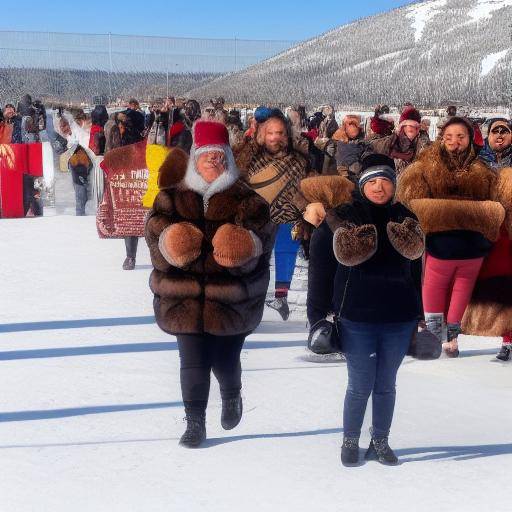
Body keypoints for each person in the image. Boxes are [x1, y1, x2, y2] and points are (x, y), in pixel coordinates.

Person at [145, 120, 273, 448]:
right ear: (194, 160)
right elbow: (154, 231)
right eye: (207, 157)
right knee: (192, 361)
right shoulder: (171, 197)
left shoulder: (247, 199)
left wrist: (247, 245)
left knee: (225, 361)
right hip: (183, 298)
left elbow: (263, 236)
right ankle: (195, 423)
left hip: (229, 300)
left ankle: (232, 394)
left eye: (219, 157)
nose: (213, 162)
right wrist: (168, 242)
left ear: (228, 160)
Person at [326, 154, 424, 466]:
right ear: (362, 184)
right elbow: (324, 267)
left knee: (386, 385)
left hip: (399, 317)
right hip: (357, 316)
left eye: (385, 180)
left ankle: (380, 441)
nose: (379, 187)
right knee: (359, 385)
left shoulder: (406, 217)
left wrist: (419, 313)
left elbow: (416, 270)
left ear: (394, 184)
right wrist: (321, 312)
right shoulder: (345, 215)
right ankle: (350, 440)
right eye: (372, 181)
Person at [397, 117, 503, 357]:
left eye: (461, 137)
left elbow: (495, 205)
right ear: (441, 138)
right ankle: (433, 337)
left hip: (473, 245)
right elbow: (411, 202)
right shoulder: (425, 166)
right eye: (449, 137)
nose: (455, 142)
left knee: (462, 289)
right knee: (434, 286)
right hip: (439, 243)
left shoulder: (483, 170)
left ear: (470, 139)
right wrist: (467, 212)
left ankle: (452, 338)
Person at [234, 108, 311, 320]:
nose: (274, 136)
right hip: (256, 212)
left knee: (284, 250)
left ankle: (281, 296)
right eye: (268, 131)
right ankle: (253, 299)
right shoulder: (248, 150)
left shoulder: (296, 152)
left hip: (286, 209)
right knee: (255, 255)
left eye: (278, 132)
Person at [463, 118, 512, 360]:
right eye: (495, 131)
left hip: (509, 231)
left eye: (505, 130)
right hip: (488, 231)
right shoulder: (478, 164)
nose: (500, 135)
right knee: (491, 285)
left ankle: (508, 339)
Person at [369, 106, 430, 176]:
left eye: (415, 126)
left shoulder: (422, 144)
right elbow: (373, 146)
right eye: (407, 125)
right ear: (402, 127)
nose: (411, 127)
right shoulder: (391, 141)